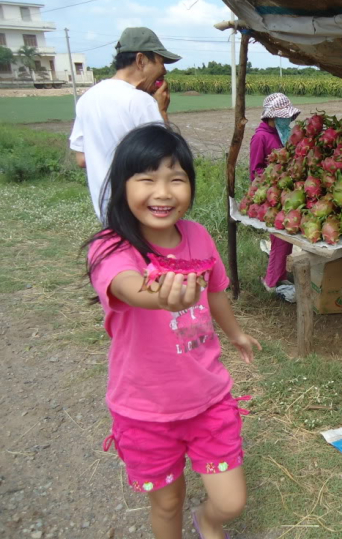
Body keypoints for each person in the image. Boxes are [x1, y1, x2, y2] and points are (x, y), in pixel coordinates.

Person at [85, 125, 262, 539]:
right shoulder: (110, 248)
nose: (163, 192)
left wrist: (235, 333)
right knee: (166, 503)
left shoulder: (198, 236)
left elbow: (215, 291)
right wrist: (162, 297)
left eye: (176, 179)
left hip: (209, 400)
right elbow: (127, 285)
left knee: (231, 502)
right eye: (147, 179)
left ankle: (206, 520)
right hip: (143, 411)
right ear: (122, 185)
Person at [70, 27, 181, 223]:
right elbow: (165, 160)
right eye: (161, 62)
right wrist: (162, 112)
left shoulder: (88, 98)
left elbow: (82, 159)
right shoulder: (139, 101)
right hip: (141, 210)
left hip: (105, 208)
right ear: (141, 60)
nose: (164, 70)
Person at [250, 93, 301, 292]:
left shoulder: (281, 134)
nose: (287, 120)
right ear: (272, 116)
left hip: (285, 193)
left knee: (286, 238)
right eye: (283, 116)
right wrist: (277, 175)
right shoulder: (260, 137)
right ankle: (271, 282)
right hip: (270, 195)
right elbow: (255, 171)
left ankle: (279, 276)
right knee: (279, 239)